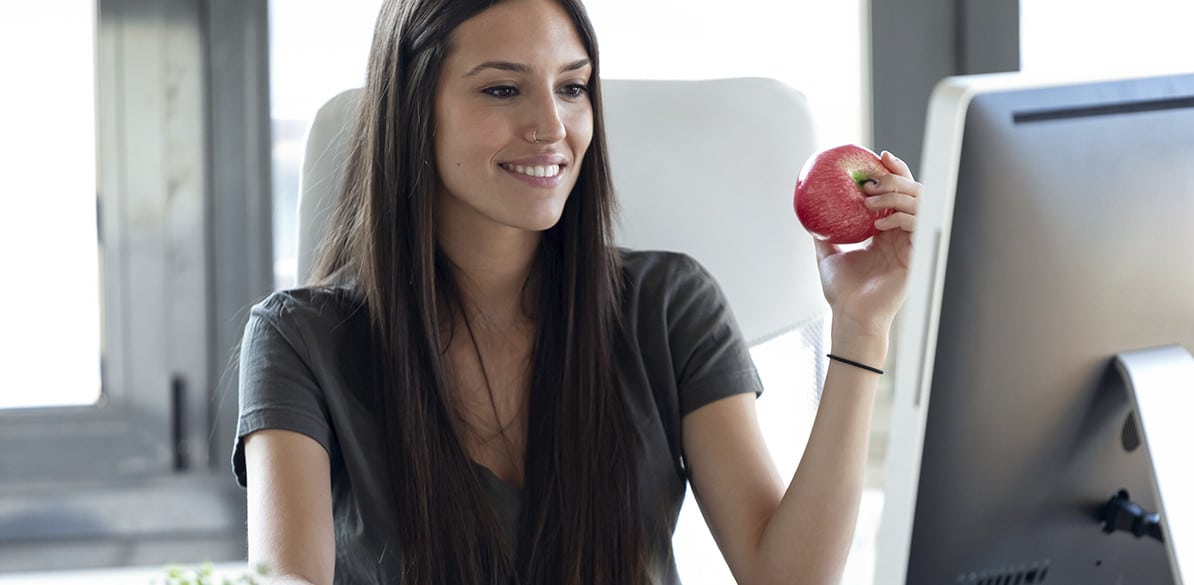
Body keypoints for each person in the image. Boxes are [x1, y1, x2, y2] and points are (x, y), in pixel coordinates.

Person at [232, 0, 920, 583]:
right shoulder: (299, 341)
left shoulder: (668, 304)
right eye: (503, 89)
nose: (552, 127)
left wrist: (861, 327)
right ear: (415, 108)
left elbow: (786, 576)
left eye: (572, 87)